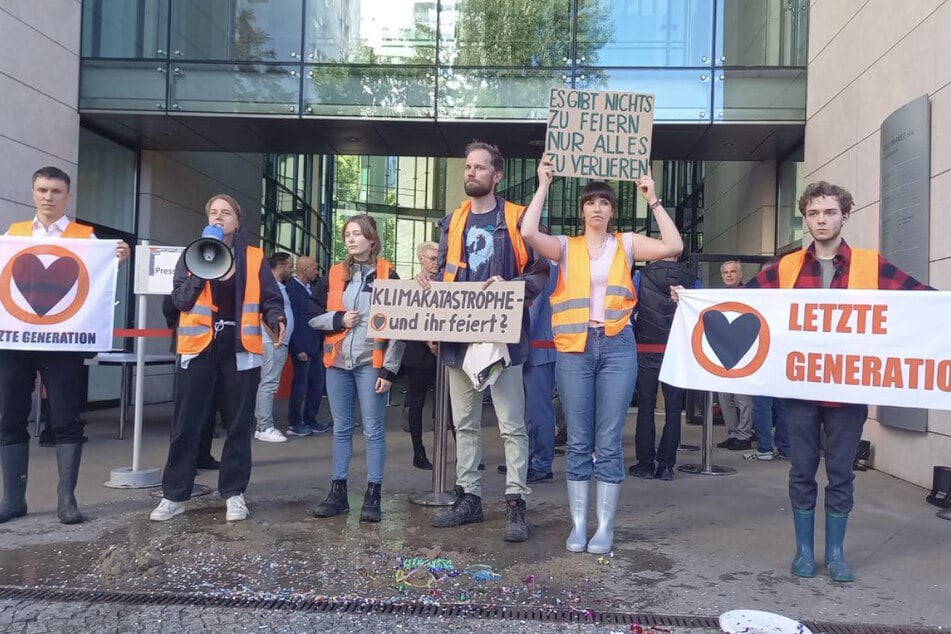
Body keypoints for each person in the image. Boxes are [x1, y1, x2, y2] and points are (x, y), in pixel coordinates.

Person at [746, 181, 931, 582]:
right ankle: (803, 552)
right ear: (806, 218)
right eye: (813, 213)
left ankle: (835, 554)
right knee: (801, 469)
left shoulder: (871, 264)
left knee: (842, 472)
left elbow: (923, 301)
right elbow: (742, 302)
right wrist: (689, 298)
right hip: (799, 387)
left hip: (848, 390)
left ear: (845, 215)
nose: (821, 220)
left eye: (829, 212)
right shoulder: (787, 267)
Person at [521, 159, 683, 554]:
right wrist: (543, 184)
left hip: (617, 346)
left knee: (608, 441)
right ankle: (579, 526)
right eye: (590, 202)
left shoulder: (625, 243)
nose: (597, 208)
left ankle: (604, 527)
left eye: (604, 202)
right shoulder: (564, 246)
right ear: (582, 210)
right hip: (574, 348)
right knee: (578, 440)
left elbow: (674, 246)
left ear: (612, 210)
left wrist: (654, 200)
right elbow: (527, 230)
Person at [419, 141, 550, 543]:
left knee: (512, 425)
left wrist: (509, 285)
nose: (471, 172)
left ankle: (516, 503)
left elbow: (540, 273)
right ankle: (469, 498)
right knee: (465, 424)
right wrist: (431, 287)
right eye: (468, 166)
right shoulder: (453, 220)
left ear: (497, 176)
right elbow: (445, 272)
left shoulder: (516, 218)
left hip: (503, 339)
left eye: (480, 167)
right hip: (459, 339)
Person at [0, 166, 130, 526]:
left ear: (67, 196)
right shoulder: (13, 235)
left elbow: (97, 284)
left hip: (63, 344)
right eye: (42, 189)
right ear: (32, 192)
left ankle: (66, 499)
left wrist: (116, 259)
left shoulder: (85, 237)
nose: (48, 197)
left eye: (56, 191)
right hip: (15, 341)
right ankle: (13, 499)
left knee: (66, 419)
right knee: (8, 417)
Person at [150, 194, 285, 523]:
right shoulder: (190, 254)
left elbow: (270, 297)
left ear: (237, 222)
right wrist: (200, 268)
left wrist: (276, 316)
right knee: (186, 426)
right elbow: (180, 300)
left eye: (226, 213)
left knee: (238, 427)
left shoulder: (253, 258)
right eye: (213, 212)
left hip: (240, 354)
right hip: (198, 351)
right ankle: (174, 495)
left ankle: (234, 493)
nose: (219, 217)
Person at [309, 214, 404, 523]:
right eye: (347, 234)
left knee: (374, 430)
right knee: (342, 429)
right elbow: (311, 314)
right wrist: (337, 320)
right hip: (337, 363)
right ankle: (338, 492)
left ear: (371, 239)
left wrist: (389, 370)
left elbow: (400, 326)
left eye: (357, 234)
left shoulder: (388, 273)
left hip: (370, 364)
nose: (350, 239)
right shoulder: (334, 273)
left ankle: (373, 494)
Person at [629, 256, 699, 481]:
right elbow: (699, 314)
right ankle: (667, 465)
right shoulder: (692, 279)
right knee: (673, 408)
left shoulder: (642, 276)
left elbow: (628, 310)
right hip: (677, 350)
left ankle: (645, 463)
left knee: (646, 406)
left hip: (646, 347)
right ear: (678, 255)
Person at [401, 242, 439, 470]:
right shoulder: (410, 286)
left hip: (444, 351)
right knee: (417, 402)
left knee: (450, 404)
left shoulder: (448, 282)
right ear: (421, 259)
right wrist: (427, 340)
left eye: (438, 258)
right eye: (432, 258)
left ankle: (463, 452)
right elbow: (407, 319)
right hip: (418, 351)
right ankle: (418, 452)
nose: (436, 262)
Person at [253, 252, 295, 443]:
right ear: (279, 266)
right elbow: (262, 315)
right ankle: (264, 426)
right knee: (268, 383)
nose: (291, 269)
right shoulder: (269, 287)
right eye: (289, 265)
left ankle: (263, 424)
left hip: (277, 340)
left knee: (268, 383)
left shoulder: (278, 287)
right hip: (272, 341)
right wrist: (275, 336)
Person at [286, 255, 327, 436]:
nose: (316, 272)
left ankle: (310, 418)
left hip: (316, 344)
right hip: (303, 346)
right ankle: (295, 422)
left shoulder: (312, 288)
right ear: (305, 270)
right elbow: (292, 320)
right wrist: (298, 347)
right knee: (300, 386)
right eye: (314, 269)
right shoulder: (293, 289)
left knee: (317, 383)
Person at [716, 260, 753, 451]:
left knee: (743, 399)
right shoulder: (718, 296)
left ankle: (745, 435)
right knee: (724, 397)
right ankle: (732, 433)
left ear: (740, 274)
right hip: (723, 353)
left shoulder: (750, 294)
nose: (729, 275)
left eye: (733, 272)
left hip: (745, 353)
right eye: (726, 272)